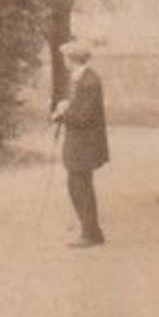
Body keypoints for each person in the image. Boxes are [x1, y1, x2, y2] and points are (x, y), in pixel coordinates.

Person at [51, 40, 108, 247]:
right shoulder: (82, 79)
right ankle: (91, 231)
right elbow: (80, 107)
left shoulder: (89, 81)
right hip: (79, 143)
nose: (64, 62)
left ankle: (90, 234)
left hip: (85, 144)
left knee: (80, 186)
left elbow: (84, 116)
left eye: (65, 58)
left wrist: (62, 114)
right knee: (78, 185)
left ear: (72, 59)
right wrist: (67, 105)